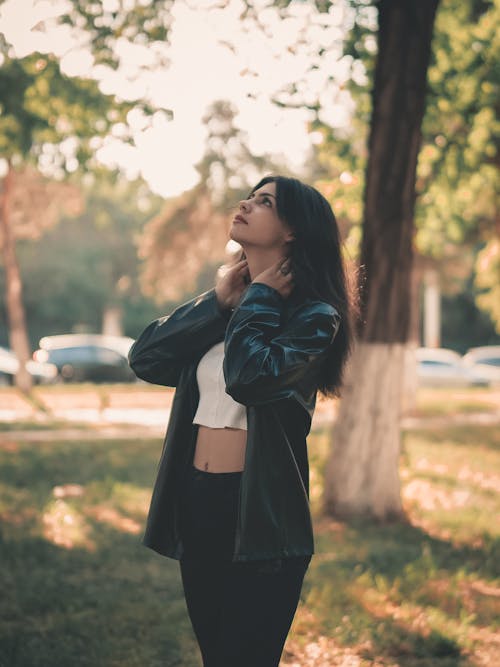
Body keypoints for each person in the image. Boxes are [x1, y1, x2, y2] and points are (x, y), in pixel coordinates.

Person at [128, 175, 352, 667]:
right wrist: (219, 302)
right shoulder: (232, 306)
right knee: (216, 656)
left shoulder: (315, 317)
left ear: (293, 231)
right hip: (197, 502)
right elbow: (145, 358)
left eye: (265, 202)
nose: (246, 204)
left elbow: (250, 379)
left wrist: (260, 300)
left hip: (259, 516)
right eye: (250, 196)